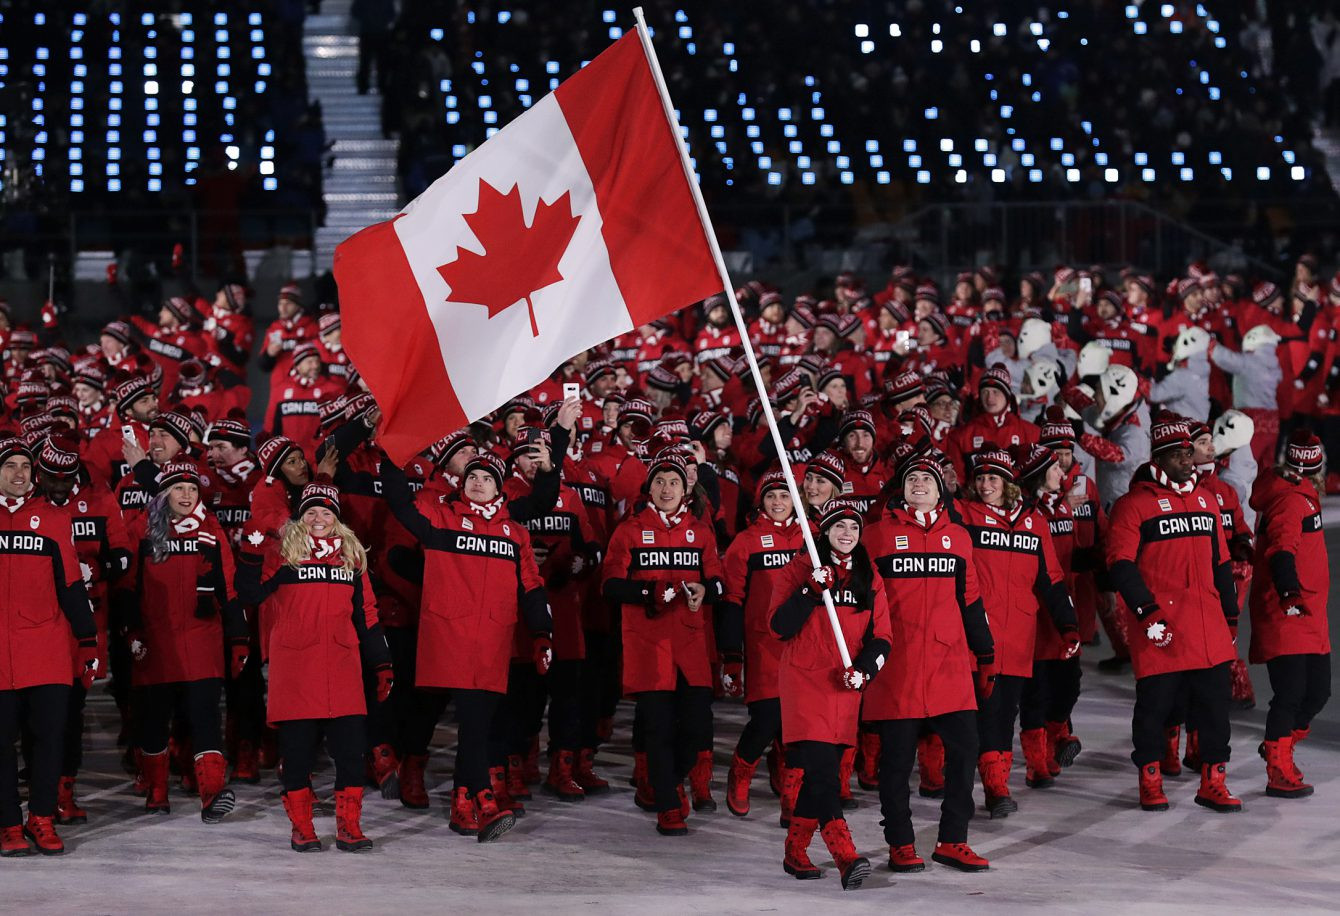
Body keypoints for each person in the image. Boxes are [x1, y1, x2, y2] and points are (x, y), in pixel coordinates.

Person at [379, 450, 550, 842]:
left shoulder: (515, 534)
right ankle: (483, 801)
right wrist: (392, 457)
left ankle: (462, 803)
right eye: (472, 476)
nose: (478, 482)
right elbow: (400, 503)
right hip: (449, 638)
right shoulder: (441, 518)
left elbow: (531, 587)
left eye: (487, 478)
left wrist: (543, 633)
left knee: (478, 725)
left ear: (499, 488)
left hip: (492, 641)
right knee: (466, 719)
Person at [237, 484, 394, 852]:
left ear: (337, 520)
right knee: (297, 754)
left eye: (326, 512)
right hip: (296, 669)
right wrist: (251, 552)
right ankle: (302, 828)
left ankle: (349, 827)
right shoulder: (282, 555)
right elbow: (250, 595)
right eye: (310, 512)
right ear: (299, 518)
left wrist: (382, 662)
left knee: (351, 752)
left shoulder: (352, 559)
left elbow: (367, 615)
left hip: (342, 667)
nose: (319, 518)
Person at [861, 455, 996, 872]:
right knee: (897, 761)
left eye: (927, 478)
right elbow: (860, 600)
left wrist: (986, 654)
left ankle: (953, 839)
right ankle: (900, 842)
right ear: (902, 489)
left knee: (966, 750)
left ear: (941, 490)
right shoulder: (876, 536)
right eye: (912, 478)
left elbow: (971, 600)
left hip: (948, 665)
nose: (919, 483)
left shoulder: (958, 538)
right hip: (896, 666)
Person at [1106, 419, 1242, 813]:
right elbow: (1120, 565)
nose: (1187, 460)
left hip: (1207, 624)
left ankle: (1214, 781)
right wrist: (1147, 613)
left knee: (1215, 708)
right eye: (1177, 455)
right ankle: (1150, 779)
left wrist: (1230, 614)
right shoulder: (1134, 505)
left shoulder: (1206, 501)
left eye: (1188, 452)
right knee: (1156, 707)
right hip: (1160, 626)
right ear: (1159, 459)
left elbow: (1222, 562)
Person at [602, 450, 724, 836]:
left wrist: (706, 590)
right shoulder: (629, 530)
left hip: (691, 644)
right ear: (649, 487)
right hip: (648, 643)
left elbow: (719, 582)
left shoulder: (700, 531)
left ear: (686, 488)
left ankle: (669, 781)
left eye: (673, 481)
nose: (666, 488)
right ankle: (669, 804)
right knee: (657, 727)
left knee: (696, 727)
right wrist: (650, 592)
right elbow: (610, 585)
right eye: (659, 481)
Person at [771, 500, 891, 891]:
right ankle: (846, 856)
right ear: (824, 532)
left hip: (844, 687)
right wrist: (809, 591)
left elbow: (882, 637)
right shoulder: (799, 568)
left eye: (853, 528)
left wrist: (865, 671)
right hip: (805, 683)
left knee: (821, 775)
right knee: (823, 771)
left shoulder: (869, 576)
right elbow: (779, 626)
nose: (847, 534)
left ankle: (795, 851)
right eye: (839, 526)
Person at [124, 461, 248, 823]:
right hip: (157, 640)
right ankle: (157, 790)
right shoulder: (142, 529)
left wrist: (239, 637)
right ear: (164, 493)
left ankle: (212, 795)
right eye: (179, 488)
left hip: (202, 640)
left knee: (205, 716)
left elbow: (228, 587)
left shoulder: (212, 530)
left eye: (193, 489)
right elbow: (129, 586)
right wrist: (132, 631)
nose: (187, 495)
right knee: (154, 718)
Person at [958, 446, 1077, 817]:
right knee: (984, 711)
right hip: (977, 635)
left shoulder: (1034, 521)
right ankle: (980, 785)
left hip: (1020, 636)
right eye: (980, 478)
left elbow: (1051, 579)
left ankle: (997, 786)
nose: (985, 485)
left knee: (1006, 711)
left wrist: (1068, 625)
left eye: (993, 478)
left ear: (1008, 482)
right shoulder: (964, 515)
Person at [0, 438, 97, 856]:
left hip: (46, 649)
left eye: (25, 466)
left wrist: (88, 641)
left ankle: (40, 818)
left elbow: (71, 587)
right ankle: (8, 823)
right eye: (10, 466)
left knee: (49, 738)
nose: (19, 474)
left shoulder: (55, 519)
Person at [1248, 431, 1331, 798]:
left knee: (1318, 692)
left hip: (1310, 613)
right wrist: (1289, 594)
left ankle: (1279, 746)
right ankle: (1277, 766)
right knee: (1291, 693)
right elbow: (1281, 550)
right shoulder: (1292, 500)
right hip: (1289, 611)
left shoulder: (1302, 495)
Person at [719, 471, 805, 818]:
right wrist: (732, 654)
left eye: (785, 496)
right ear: (761, 502)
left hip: (804, 646)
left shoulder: (811, 538)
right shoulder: (746, 542)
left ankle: (790, 788)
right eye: (771, 496)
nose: (778, 502)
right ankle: (741, 770)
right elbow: (732, 599)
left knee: (798, 721)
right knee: (767, 718)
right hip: (764, 646)